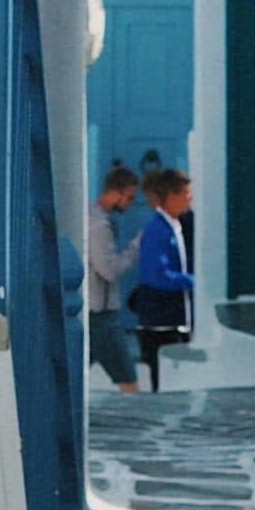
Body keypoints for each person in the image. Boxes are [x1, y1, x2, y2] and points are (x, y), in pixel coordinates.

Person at [128, 166, 196, 390]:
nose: (190, 198)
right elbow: (158, 275)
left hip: (171, 319)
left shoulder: (173, 226)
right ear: (172, 196)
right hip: (160, 321)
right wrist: (192, 282)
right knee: (163, 381)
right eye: (186, 194)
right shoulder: (157, 231)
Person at [84, 162, 143, 391]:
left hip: (96, 309)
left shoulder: (93, 217)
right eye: (128, 197)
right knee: (127, 377)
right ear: (114, 192)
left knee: (77, 370)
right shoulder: (99, 225)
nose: (130, 204)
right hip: (101, 313)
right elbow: (108, 270)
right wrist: (135, 247)